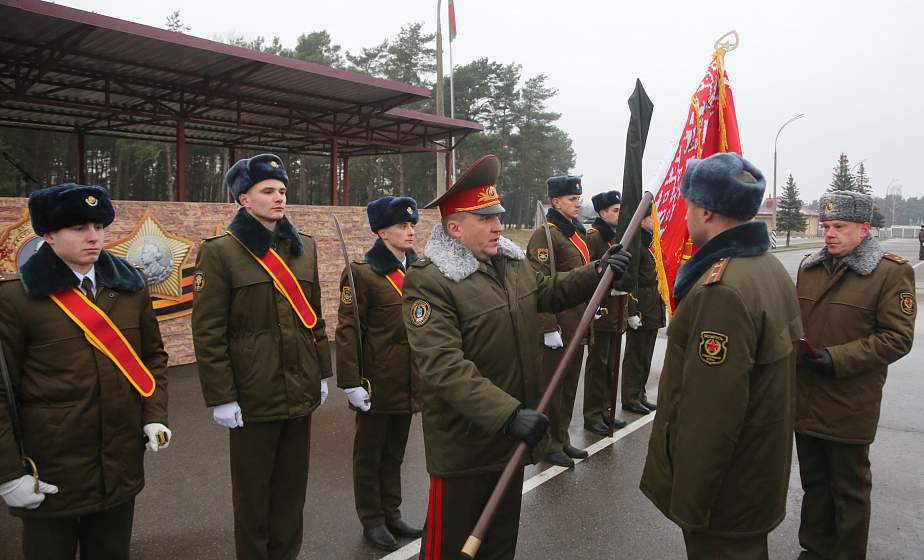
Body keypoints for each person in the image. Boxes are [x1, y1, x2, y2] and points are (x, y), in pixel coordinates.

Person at [403, 154, 631, 560]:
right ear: (454, 228)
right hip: (466, 447)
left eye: (499, 216)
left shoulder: (510, 264)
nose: (498, 225)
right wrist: (509, 414)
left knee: (498, 547)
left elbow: (548, 291)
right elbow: (443, 366)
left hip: (510, 439)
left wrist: (598, 271)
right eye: (486, 218)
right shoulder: (430, 281)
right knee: (450, 550)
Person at [640, 153, 802, 559]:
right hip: (754, 474)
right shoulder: (768, 267)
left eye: (689, 204)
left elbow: (710, 413)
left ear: (707, 210)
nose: (685, 213)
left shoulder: (723, 288)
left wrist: (691, 503)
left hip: (725, 492)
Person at [0, 184, 170, 560]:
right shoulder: (15, 299)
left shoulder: (130, 288)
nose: (93, 237)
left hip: (120, 464)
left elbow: (153, 358)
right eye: (79, 228)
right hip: (51, 472)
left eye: (98, 225)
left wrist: (153, 416)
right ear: (48, 235)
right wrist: (8, 473)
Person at [191, 154, 333, 560]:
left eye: (282, 190)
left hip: (300, 389)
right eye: (267, 191)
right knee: (254, 499)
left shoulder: (304, 246)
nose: (278, 198)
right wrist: (221, 395)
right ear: (243, 200)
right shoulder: (220, 253)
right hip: (253, 395)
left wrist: (322, 372)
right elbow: (208, 331)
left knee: (291, 495)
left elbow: (314, 317)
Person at [794, 190, 915, 560]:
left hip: (849, 401)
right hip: (806, 397)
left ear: (863, 229)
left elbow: (897, 338)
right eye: (827, 226)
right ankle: (814, 550)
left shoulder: (889, 273)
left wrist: (836, 359)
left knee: (848, 488)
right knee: (814, 484)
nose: (829, 233)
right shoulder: (808, 268)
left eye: (839, 227)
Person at [335, 196, 423, 551]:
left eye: (412, 225)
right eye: (402, 226)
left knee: (395, 453)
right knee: (369, 455)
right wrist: (351, 381)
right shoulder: (362, 273)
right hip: (376, 381)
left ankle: (392, 512)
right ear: (382, 231)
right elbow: (347, 330)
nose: (410, 231)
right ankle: (372, 519)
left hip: (409, 380)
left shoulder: (418, 270)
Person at [527, 175, 605, 467]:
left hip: (577, 323)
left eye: (578, 198)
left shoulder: (575, 234)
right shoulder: (545, 236)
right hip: (558, 327)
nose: (578, 203)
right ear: (556, 201)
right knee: (553, 389)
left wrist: (591, 305)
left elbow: (579, 279)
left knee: (570, 386)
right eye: (572, 199)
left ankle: (562, 438)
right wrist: (548, 326)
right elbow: (540, 283)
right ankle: (548, 445)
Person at [582, 190, 631, 433]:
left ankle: (606, 410)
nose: (619, 215)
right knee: (598, 366)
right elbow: (588, 274)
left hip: (615, 312)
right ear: (602, 213)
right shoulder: (594, 238)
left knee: (611, 365)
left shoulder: (614, 237)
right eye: (615, 211)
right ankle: (592, 416)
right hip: (601, 310)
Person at [621, 203, 664, 415]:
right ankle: (629, 397)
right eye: (652, 218)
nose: (655, 223)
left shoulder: (651, 244)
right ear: (642, 220)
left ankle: (640, 393)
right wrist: (631, 311)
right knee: (635, 355)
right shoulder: (636, 245)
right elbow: (630, 280)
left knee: (646, 354)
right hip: (641, 305)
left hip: (653, 304)